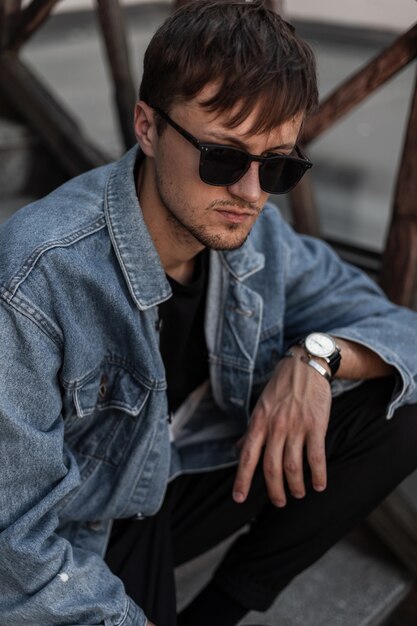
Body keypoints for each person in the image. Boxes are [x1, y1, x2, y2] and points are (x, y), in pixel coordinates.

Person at [1, 1, 417, 625]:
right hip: (85, 524)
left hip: (173, 478)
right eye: (222, 158)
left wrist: (317, 358)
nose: (251, 194)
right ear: (147, 126)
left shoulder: (260, 240)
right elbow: (15, 541)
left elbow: (403, 330)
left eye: (277, 165)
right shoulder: (38, 278)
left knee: (397, 406)